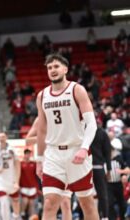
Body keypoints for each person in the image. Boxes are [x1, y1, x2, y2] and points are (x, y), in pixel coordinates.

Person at [36, 53, 99, 219]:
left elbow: (91, 123)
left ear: (65, 69)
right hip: (53, 155)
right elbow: (41, 130)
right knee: (49, 204)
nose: (52, 70)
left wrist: (84, 148)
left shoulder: (77, 90)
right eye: (49, 68)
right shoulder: (42, 96)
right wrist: (39, 159)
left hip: (76, 151)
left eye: (56, 66)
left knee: (87, 203)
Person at [25, 117, 73, 220]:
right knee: (49, 203)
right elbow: (27, 141)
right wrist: (45, 137)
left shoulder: (64, 113)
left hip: (65, 161)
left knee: (66, 203)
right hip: (49, 164)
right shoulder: (40, 120)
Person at [0, 132, 21, 220]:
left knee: (15, 201)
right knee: (4, 203)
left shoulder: (12, 150)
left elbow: (18, 166)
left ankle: (16, 217)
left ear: (6, 137)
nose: (1, 138)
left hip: (11, 180)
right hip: (0, 182)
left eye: (3, 136)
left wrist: (17, 182)